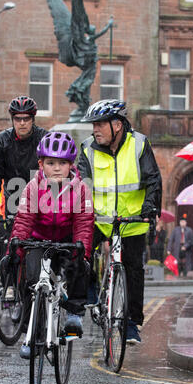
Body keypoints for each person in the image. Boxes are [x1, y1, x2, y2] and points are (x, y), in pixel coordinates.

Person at [78, 99, 162, 345]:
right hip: (99, 219)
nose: (95, 129)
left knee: (134, 270)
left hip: (132, 220)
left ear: (118, 125)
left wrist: (149, 207)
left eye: (100, 124)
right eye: (93, 125)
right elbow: (82, 184)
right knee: (77, 253)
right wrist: (84, 211)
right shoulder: (87, 148)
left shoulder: (139, 144)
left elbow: (153, 180)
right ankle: (91, 289)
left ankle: (132, 324)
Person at [10, 131, 94, 359]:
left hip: (67, 240)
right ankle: (31, 333)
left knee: (81, 266)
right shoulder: (32, 187)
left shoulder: (80, 189)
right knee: (31, 278)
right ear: (41, 164)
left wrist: (81, 249)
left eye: (63, 163)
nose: (57, 168)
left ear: (70, 165)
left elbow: (84, 222)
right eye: (51, 163)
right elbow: (24, 218)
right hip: (39, 239)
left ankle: (74, 314)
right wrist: (17, 247)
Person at [0, 96, 48, 236]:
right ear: (12, 120)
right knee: (12, 247)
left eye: (26, 118)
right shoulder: (2, 141)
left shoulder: (44, 139)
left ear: (33, 119)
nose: (22, 123)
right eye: (18, 119)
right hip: (13, 202)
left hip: (41, 201)